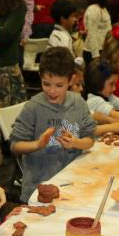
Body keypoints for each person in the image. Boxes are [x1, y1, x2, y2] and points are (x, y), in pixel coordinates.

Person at [10, 47, 96, 202]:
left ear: (71, 80)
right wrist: (37, 144)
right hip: (38, 190)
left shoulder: (78, 103)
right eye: (46, 84)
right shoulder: (33, 107)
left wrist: (76, 143)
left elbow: (90, 139)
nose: (52, 91)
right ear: (40, 77)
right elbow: (15, 145)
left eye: (59, 85)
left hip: (71, 184)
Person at [84, 59, 119, 123]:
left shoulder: (108, 96)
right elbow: (116, 116)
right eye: (111, 84)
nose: (114, 88)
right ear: (98, 83)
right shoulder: (94, 100)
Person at [82, 0, 112, 65]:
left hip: (102, 49)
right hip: (94, 52)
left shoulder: (102, 8)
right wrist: (96, 56)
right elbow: (92, 33)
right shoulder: (93, 9)